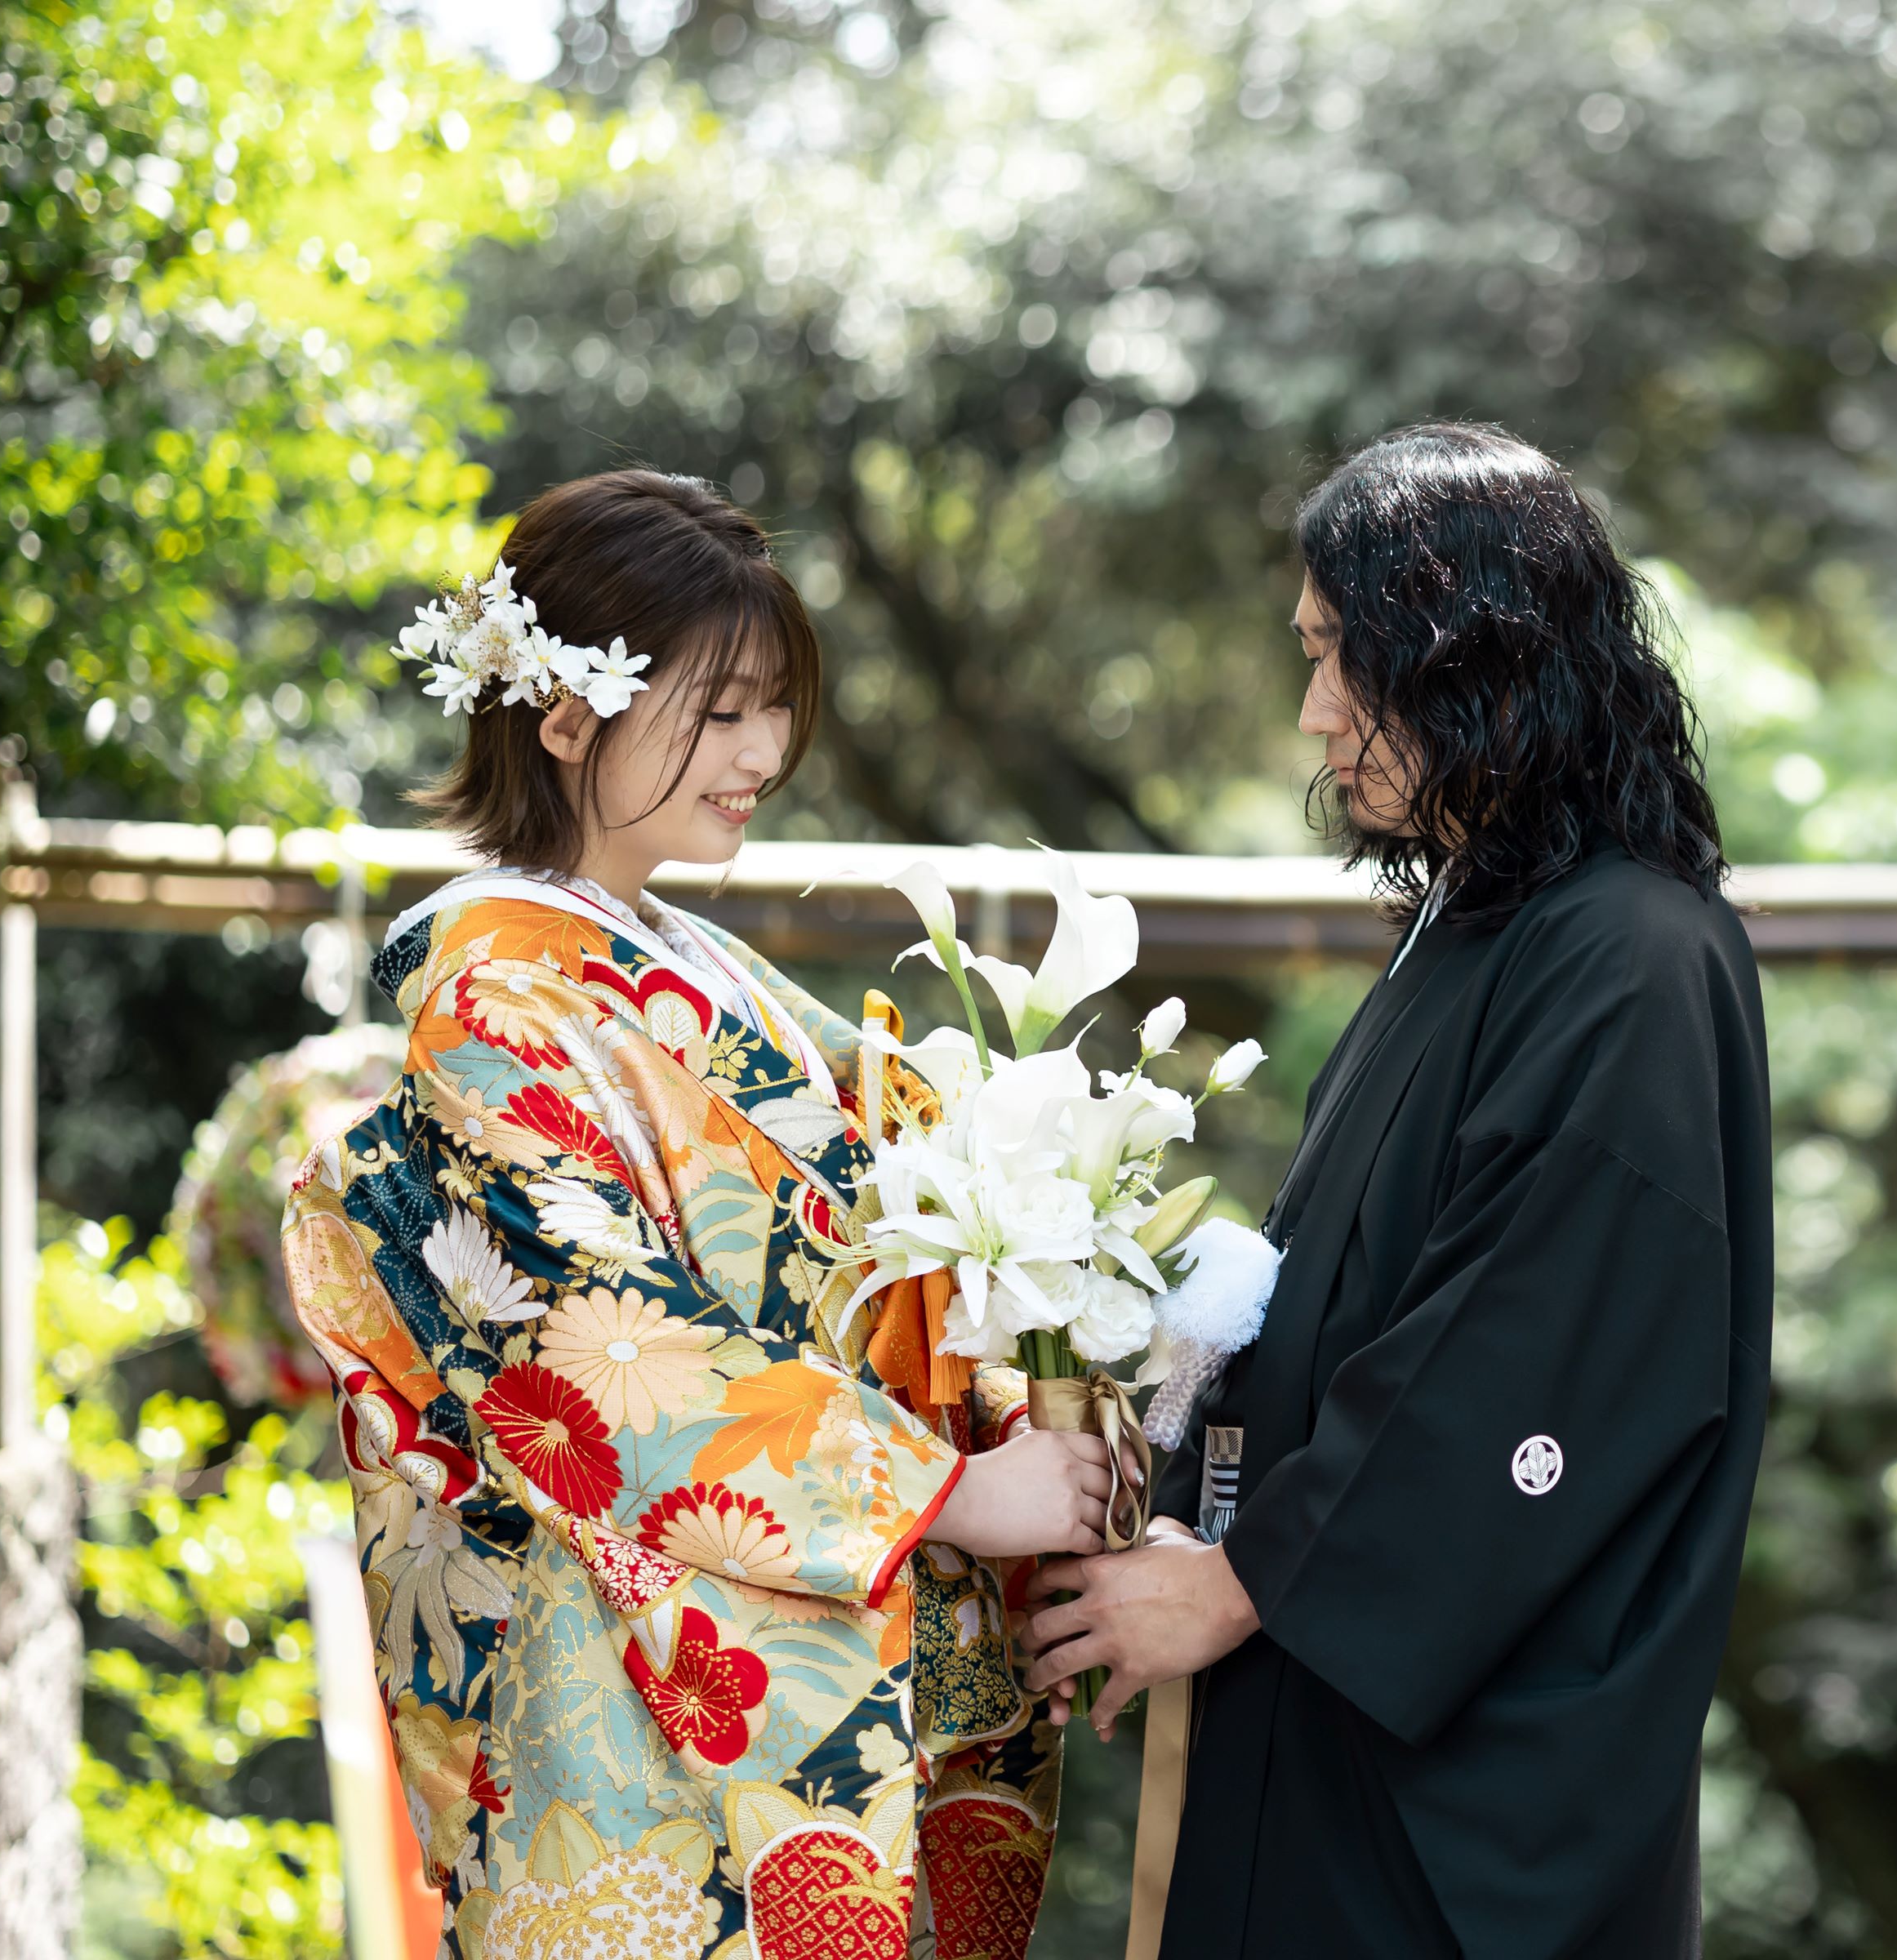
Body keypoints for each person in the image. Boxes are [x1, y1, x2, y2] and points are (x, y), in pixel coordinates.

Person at [278, 469, 1104, 1960]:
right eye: (720, 711)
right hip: (634, 1685)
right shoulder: (489, 1007)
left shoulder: (685, 963)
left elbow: (907, 1209)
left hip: (783, 1649)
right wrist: (954, 1495)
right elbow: (605, 1351)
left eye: (776, 706)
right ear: (567, 718)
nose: (767, 750)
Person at [1022, 423, 1775, 1958]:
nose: (1313, 713)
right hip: (1324, 1719)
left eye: (1338, 656)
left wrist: (1250, 1581)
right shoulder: (1481, 929)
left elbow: (1529, 1354)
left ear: (1467, 658)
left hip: (1461, 1792)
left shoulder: (1629, 957)